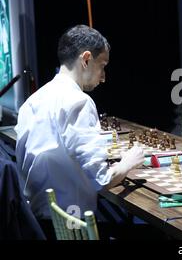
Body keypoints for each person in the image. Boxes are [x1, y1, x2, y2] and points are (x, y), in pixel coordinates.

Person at [14, 25, 144, 235]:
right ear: (85, 59)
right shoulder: (79, 102)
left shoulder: (32, 101)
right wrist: (128, 161)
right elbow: (102, 181)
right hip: (73, 228)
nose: (103, 77)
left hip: (38, 225)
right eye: (102, 66)